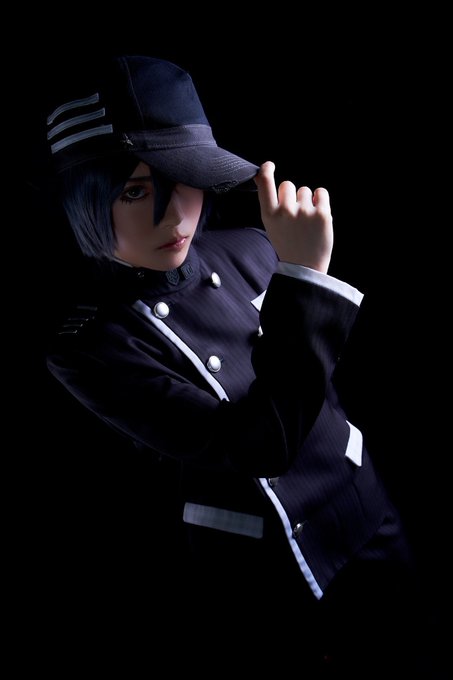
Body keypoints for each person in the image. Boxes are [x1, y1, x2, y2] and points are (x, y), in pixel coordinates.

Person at [41, 54, 433, 675]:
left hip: (367, 510)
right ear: (82, 200)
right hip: (267, 567)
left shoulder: (251, 247)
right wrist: (305, 278)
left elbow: (327, 387)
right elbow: (258, 445)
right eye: (135, 191)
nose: (174, 216)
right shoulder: (89, 346)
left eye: (185, 179)